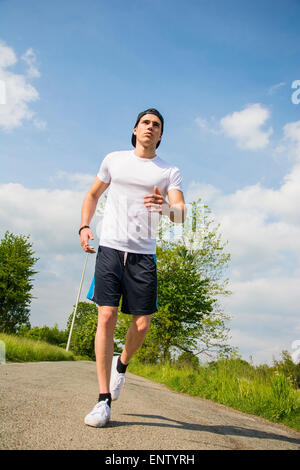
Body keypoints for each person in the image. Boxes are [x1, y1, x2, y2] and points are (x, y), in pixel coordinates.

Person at [80, 108, 186, 427]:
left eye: (156, 125)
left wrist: (167, 207)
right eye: (146, 123)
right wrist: (84, 226)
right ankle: (102, 401)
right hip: (111, 247)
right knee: (107, 314)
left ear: (161, 135)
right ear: (135, 129)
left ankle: (121, 366)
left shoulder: (169, 171)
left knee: (141, 325)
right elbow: (92, 194)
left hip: (143, 254)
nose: (150, 128)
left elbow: (181, 213)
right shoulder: (114, 159)